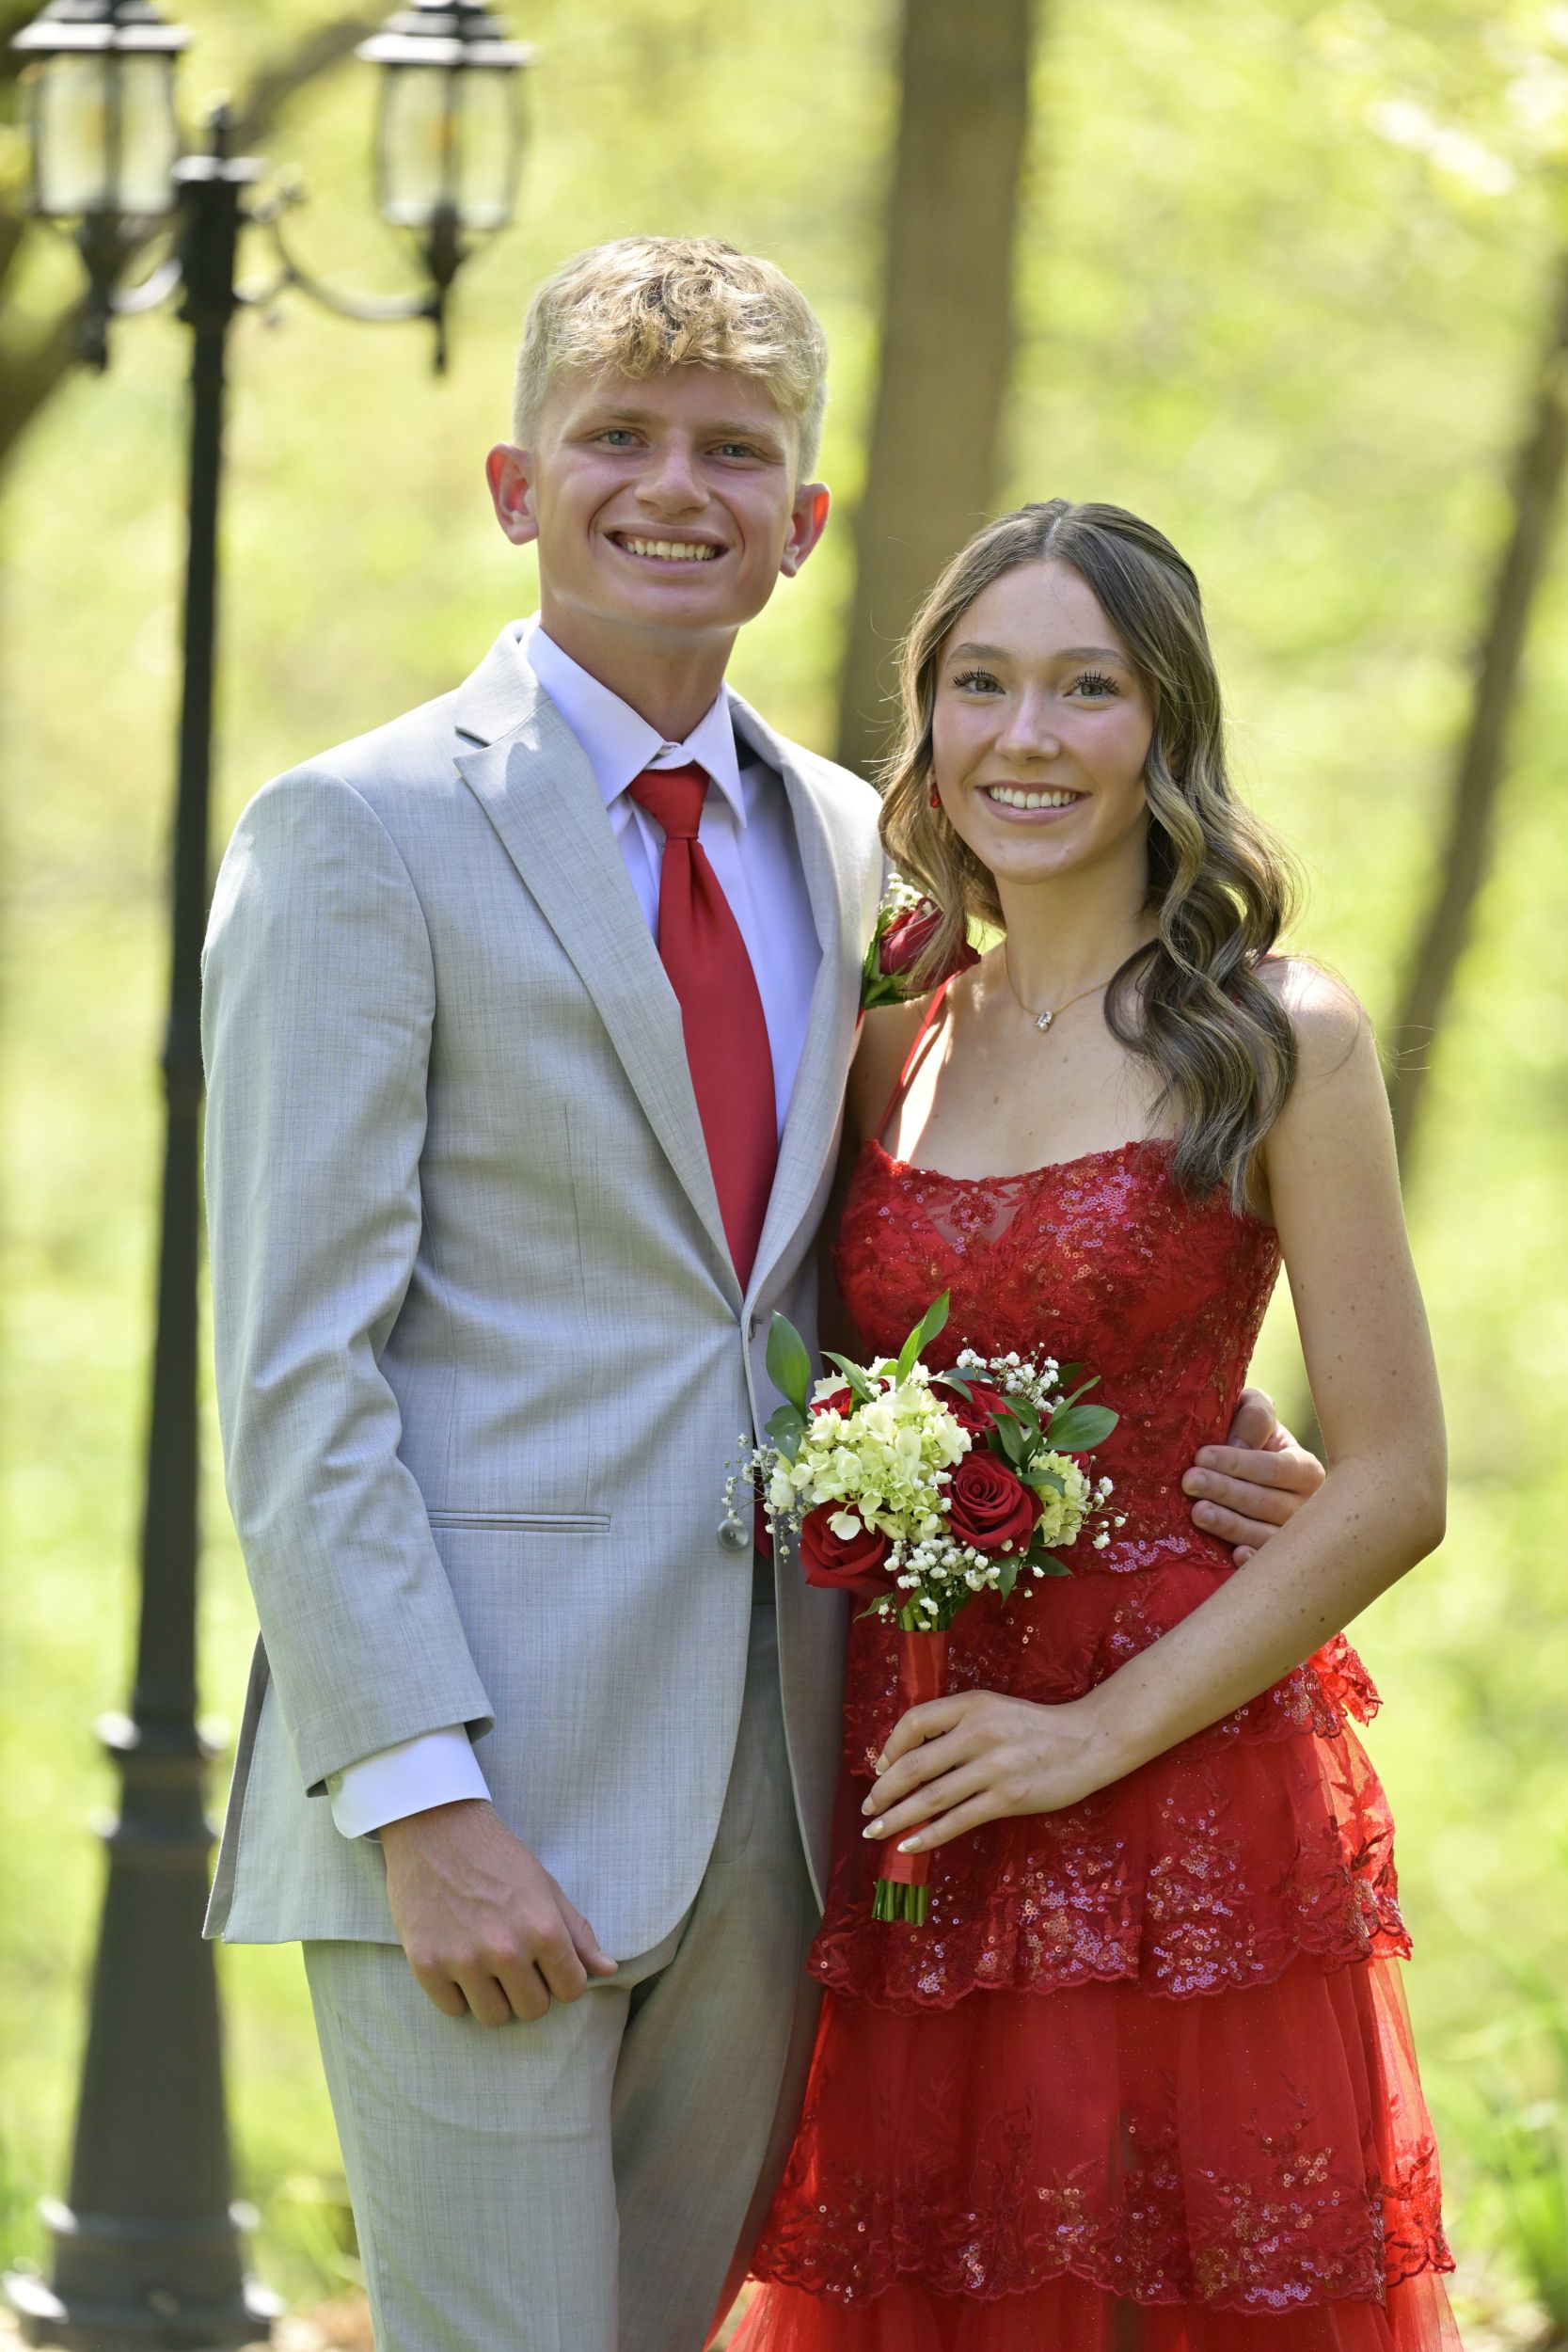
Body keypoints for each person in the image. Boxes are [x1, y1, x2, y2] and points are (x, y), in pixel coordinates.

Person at [200, 243, 1323, 2352]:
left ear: (803, 521)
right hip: (481, 1776)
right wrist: (421, 1802)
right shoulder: (356, 831)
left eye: (731, 451)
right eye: (616, 437)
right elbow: (294, 1373)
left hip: (799, 1787)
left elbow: (912, 1232)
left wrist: (1174, 1403)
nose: (673, 486)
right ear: (516, 484)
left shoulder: (863, 849)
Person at [735, 500, 1460, 2352]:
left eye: (1087, 687)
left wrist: (1086, 1739)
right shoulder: (890, 1032)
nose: (1027, 736)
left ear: (1166, 722)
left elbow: (1395, 1482)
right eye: (981, 683)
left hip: (1172, 1772)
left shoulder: (1278, 1036)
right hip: (917, 1770)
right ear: (928, 719)